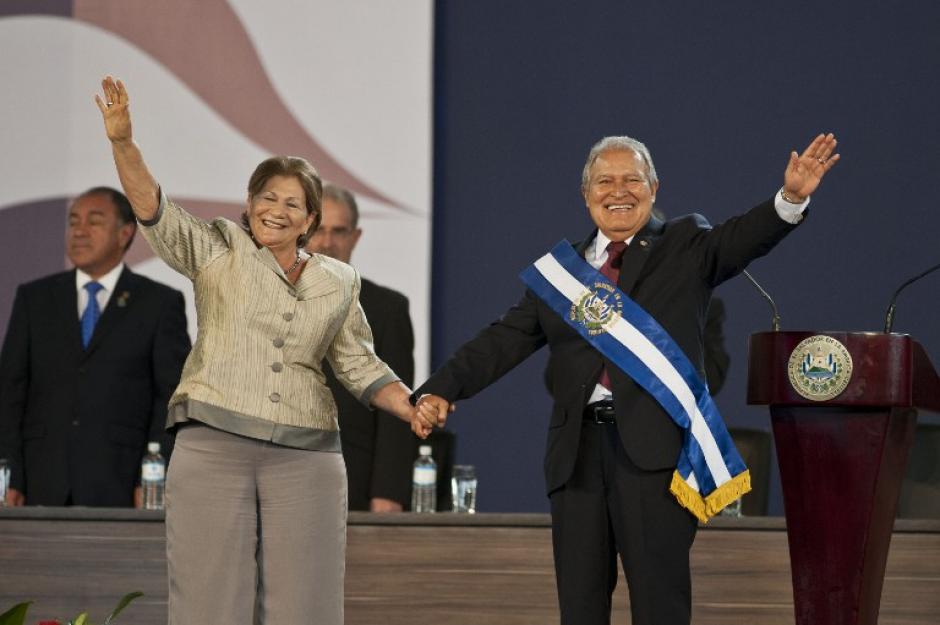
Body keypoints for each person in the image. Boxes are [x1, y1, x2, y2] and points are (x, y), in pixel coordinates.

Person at [416, 133, 840, 625]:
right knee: (580, 609)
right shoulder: (563, 274)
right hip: (575, 458)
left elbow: (743, 236)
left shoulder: (686, 244)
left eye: (632, 179)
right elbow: (503, 340)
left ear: (654, 188)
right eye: (605, 181)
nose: (619, 191)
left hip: (654, 459)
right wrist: (441, 387)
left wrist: (790, 199)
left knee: (660, 606)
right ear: (586, 194)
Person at [93, 76, 436, 624]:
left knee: (310, 607)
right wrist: (123, 143)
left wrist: (408, 404)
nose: (277, 208)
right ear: (249, 204)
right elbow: (151, 205)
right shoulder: (215, 248)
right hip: (213, 445)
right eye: (267, 196)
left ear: (311, 221)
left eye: (294, 202)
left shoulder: (338, 279)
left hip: (308, 456)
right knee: (209, 603)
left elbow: (357, 361)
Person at [0, 186, 189, 507]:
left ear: (125, 233)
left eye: (94, 221)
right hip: (39, 479)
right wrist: (10, 475)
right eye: (73, 221)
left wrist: (153, 474)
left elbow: (171, 398)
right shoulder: (35, 299)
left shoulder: (159, 303)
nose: (79, 231)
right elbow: (10, 391)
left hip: (122, 480)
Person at [306, 184, 416, 512]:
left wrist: (388, 494)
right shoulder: (272, 300)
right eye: (319, 230)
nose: (327, 242)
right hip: (277, 477)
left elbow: (397, 412)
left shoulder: (386, 308)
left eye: (339, 231)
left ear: (355, 237)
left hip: (353, 483)